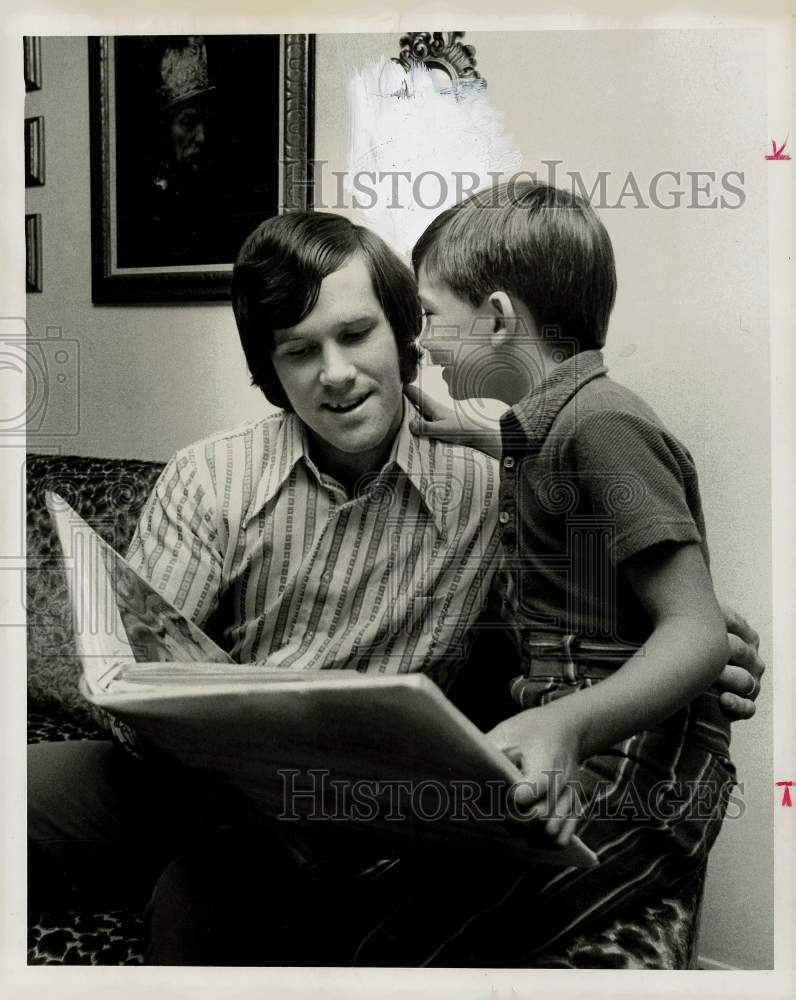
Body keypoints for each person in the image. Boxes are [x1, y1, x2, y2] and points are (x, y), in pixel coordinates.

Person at [28, 210, 764, 966]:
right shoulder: (211, 476)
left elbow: (616, 589)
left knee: (212, 911)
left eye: (355, 334)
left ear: (404, 334)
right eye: (299, 350)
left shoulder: (486, 482)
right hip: (178, 782)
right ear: (271, 367)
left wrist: (700, 645)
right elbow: (123, 685)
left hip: (333, 819)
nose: (335, 373)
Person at [402, 179, 753, 957]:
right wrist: (478, 433)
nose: (422, 342)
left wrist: (563, 723)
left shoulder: (606, 426)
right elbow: (563, 477)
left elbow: (697, 634)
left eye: (430, 316)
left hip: (638, 769)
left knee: (422, 932)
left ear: (496, 319)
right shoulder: (567, 424)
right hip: (597, 749)